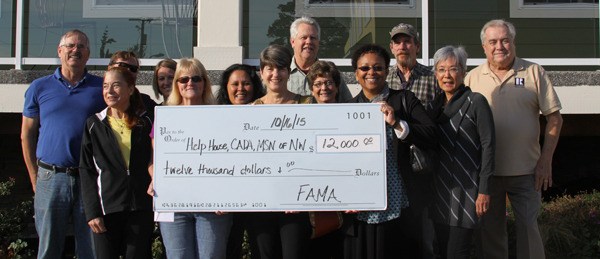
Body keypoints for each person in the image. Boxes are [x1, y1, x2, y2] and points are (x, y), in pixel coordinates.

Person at [464, 19, 563, 259]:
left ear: (513, 43)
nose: (500, 46)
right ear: (484, 47)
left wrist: (545, 161)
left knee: (529, 231)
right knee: (490, 234)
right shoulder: (472, 78)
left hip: (528, 172)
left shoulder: (533, 72)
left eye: (505, 40)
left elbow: (555, 119)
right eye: (493, 42)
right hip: (487, 175)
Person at [345, 44, 437, 259]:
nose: (371, 73)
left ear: (387, 71)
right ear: (356, 73)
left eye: (378, 67)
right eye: (364, 68)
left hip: (400, 202)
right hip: (361, 206)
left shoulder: (405, 100)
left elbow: (431, 135)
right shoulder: (348, 108)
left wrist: (397, 123)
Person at [21, 29, 103, 259]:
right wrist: (34, 178)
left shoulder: (101, 88)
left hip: (89, 178)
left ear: (88, 54)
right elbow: (26, 134)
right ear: (59, 51)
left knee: (91, 248)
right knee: (48, 249)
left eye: (81, 47)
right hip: (50, 177)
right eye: (70, 46)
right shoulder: (39, 87)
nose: (75, 50)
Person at [153, 58, 232, 259]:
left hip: (212, 205)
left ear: (204, 82)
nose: (190, 83)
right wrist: (155, 177)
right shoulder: (164, 117)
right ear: (176, 84)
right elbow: (155, 161)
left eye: (196, 78)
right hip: (174, 204)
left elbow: (231, 160)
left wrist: (229, 195)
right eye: (184, 79)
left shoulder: (221, 117)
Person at [80, 67, 154, 259]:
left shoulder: (146, 122)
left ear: (130, 89)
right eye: (105, 86)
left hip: (141, 206)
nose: (109, 91)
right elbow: (87, 169)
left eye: (116, 85)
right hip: (107, 209)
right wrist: (92, 212)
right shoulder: (94, 124)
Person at [428, 46, 495, 258]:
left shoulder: (476, 101)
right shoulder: (435, 105)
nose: (447, 75)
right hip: (439, 188)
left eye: (454, 69)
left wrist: (484, 190)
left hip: (467, 189)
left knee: (458, 251)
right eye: (441, 69)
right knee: (441, 249)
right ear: (436, 74)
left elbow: (489, 146)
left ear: (464, 72)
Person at [247, 44, 313, 259]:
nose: (275, 74)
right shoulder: (251, 111)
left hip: (297, 201)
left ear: (288, 71)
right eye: (270, 68)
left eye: (281, 68)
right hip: (261, 201)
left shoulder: (307, 104)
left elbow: (316, 154)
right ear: (261, 72)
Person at [386, 22, 441, 258]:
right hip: (393, 163)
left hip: (424, 164)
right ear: (391, 47)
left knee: (426, 229)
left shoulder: (433, 78)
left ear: (417, 46)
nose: (402, 46)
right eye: (397, 42)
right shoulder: (382, 78)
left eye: (407, 41)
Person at [215, 63, 264, 259]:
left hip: (260, 198)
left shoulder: (267, 116)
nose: (240, 89)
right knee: (230, 249)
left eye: (246, 83)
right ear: (226, 88)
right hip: (227, 200)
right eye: (234, 84)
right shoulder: (214, 118)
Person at [288, 16, 353, 101]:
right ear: (292, 42)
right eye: (304, 37)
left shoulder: (333, 74)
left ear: (318, 42)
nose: (308, 42)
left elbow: (349, 106)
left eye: (313, 38)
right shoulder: (280, 75)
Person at [109, 51, 158, 119]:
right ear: (109, 67)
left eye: (133, 69)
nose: (128, 71)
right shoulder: (97, 98)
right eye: (123, 65)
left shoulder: (145, 103)